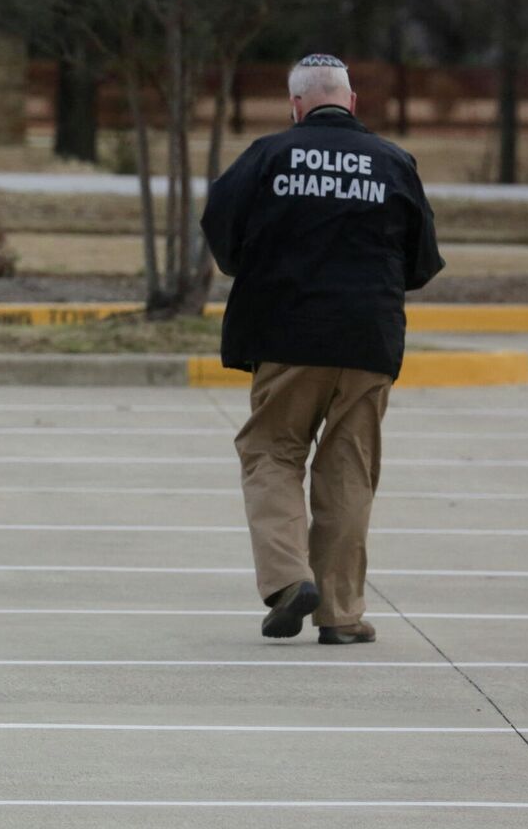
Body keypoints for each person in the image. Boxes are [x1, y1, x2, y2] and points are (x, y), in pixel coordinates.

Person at [199, 54, 444, 644]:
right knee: (348, 470)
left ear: (296, 105)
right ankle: (340, 614)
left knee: (272, 452)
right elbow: (421, 262)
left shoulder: (265, 156)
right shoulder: (393, 162)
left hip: (286, 334)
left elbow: (221, 233)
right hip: (369, 338)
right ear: (351, 102)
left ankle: (288, 581)